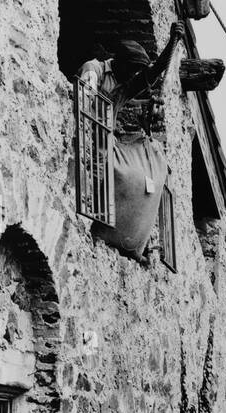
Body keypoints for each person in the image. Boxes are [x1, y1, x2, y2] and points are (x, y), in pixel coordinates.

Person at [77, 22, 186, 258]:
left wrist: (171, 44)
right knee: (118, 176)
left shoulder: (123, 84)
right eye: (132, 70)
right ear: (121, 63)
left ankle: (130, 238)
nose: (134, 76)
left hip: (105, 144)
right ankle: (98, 223)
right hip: (88, 141)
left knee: (143, 178)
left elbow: (154, 72)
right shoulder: (93, 69)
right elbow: (84, 103)